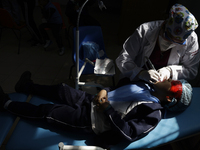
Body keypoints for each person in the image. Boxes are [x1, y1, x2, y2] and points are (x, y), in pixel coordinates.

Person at [0, 71, 192, 149]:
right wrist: (104, 90)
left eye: (173, 83)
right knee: (61, 89)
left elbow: (129, 133)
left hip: (90, 119)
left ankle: (6, 104)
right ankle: (26, 86)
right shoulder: (147, 86)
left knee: (48, 111)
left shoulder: (153, 113)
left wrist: (107, 109)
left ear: (169, 98)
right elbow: (122, 88)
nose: (169, 78)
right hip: (90, 99)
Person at [115, 4, 199, 84]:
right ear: (164, 25)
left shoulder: (191, 40)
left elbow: (191, 70)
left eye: (177, 42)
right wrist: (140, 73)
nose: (171, 43)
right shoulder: (144, 30)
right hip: (135, 79)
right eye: (169, 38)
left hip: (162, 87)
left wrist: (170, 71)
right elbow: (123, 59)